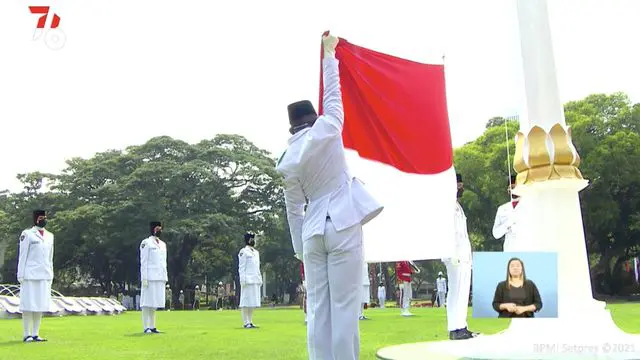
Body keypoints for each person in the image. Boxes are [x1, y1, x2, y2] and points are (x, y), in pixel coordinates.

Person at [275, 33, 383, 360]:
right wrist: (329, 54)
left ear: (292, 128)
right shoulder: (327, 128)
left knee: (319, 310)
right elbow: (334, 94)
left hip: (311, 234)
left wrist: (299, 252)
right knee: (345, 307)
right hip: (342, 221)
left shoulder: (286, 160)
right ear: (313, 118)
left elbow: (294, 209)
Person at [442, 174, 480, 340]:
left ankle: (461, 326)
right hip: (455, 255)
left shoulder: (457, 206)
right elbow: (446, 233)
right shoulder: (446, 206)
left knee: (462, 292)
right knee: (456, 292)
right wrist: (449, 254)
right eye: (459, 185)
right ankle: (455, 328)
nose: (461, 188)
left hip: (463, 255)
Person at [17, 210, 54, 342]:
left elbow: (50, 258)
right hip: (29, 275)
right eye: (41, 218)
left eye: (45, 217)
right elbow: (22, 255)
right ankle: (27, 334)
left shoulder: (50, 236)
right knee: (28, 305)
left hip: (44, 275)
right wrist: (20, 274)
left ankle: (35, 333)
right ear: (35, 219)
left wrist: (51, 274)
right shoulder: (27, 234)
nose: (43, 220)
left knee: (40, 305)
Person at [139, 221, 168, 334]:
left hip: (160, 277)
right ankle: (146, 326)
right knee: (147, 303)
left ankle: (153, 326)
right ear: (152, 229)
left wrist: (165, 277)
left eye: (160, 229)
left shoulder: (162, 244)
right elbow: (144, 261)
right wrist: (144, 277)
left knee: (155, 304)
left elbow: (163, 262)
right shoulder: (146, 243)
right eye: (157, 229)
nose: (159, 231)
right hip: (149, 277)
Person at [238, 231, 262, 328]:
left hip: (255, 279)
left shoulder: (256, 253)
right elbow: (241, 267)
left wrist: (259, 278)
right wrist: (242, 280)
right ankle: (245, 322)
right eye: (252, 239)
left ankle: (250, 320)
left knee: (253, 302)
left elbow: (257, 267)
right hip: (247, 279)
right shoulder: (243, 252)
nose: (253, 241)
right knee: (246, 302)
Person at [492, 175, 521, 251]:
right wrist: (507, 225)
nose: (513, 190)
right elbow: (496, 234)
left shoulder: (529, 205)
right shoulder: (502, 209)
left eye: (514, 187)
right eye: (511, 187)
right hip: (509, 249)